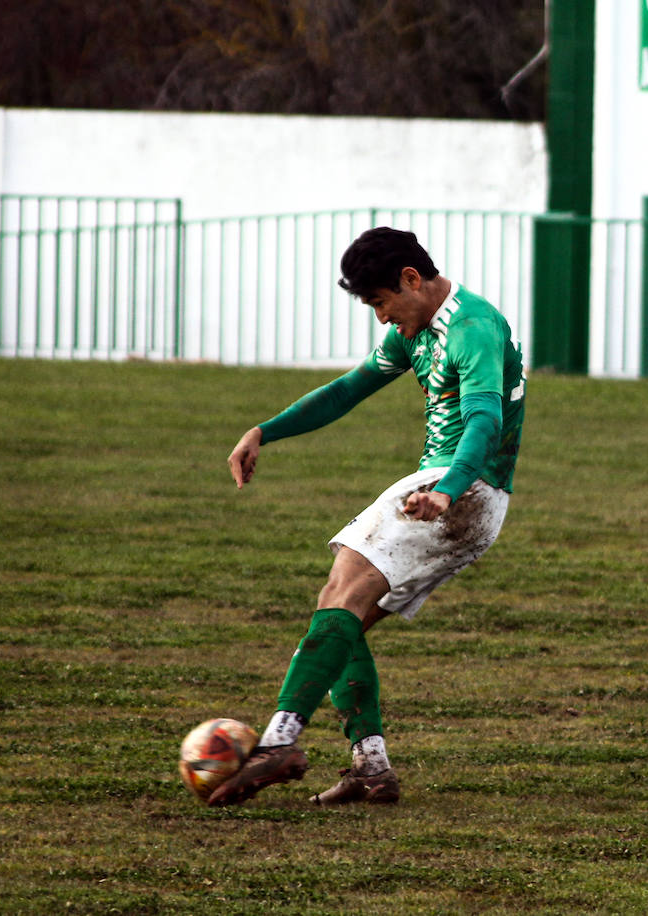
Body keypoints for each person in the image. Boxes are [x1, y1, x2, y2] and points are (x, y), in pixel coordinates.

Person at [209, 227, 526, 807]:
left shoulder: (472, 327)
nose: (382, 318)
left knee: (338, 600)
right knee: (341, 615)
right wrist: (265, 431)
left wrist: (449, 491)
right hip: (449, 490)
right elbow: (349, 389)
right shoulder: (418, 328)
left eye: (381, 302)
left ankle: (281, 741)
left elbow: (484, 420)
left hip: (459, 489)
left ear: (411, 279)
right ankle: (371, 767)